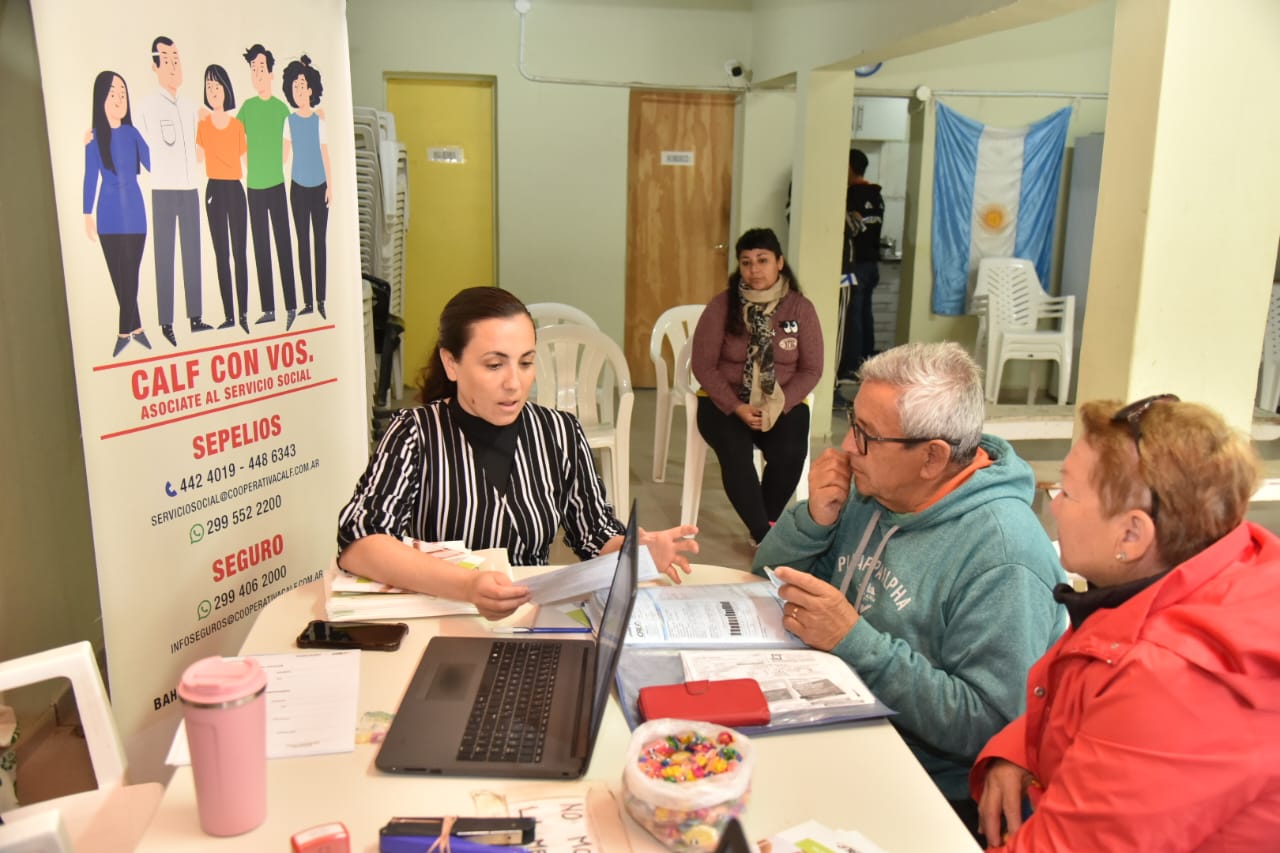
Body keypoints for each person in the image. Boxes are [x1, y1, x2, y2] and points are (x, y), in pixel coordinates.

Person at [755, 341, 1065, 835]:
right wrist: (814, 519)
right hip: (838, 718)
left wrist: (854, 641)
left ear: (932, 457)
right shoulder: (874, 485)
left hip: (924, 786)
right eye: (851, 423)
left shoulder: (1004, 558)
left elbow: (989, 722)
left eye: (867, 435)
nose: (848, 447)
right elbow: (765, 576)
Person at [971, 395, 1280, 850]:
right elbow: (1090, 686)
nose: (1053, 507)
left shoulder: (1175, 682)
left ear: (1132, 535)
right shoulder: (1216, 565)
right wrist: (1019, 747)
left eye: (1068, 493)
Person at [337, 287, 699, 619]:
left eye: (525, 363)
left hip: (528, 616)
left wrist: (639, 548)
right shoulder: (415, 433)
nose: (514, 383)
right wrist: (467, 586)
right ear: (451, 364)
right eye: (494, 365)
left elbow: (594, 533)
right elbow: (361, 542)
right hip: (442, 614)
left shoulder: (559, 433)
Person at [691, 227, 822, 546]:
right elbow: (704, 366)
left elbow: (811, 369)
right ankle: (764, 535)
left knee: (790, 451)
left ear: (779, 262)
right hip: (723, 401)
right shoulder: (722, 306)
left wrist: (778, 404)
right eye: (746, 262)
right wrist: (737, 407)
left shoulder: (799, 309)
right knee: (735, 451)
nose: (754, 269)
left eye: (762, 260)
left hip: (782, 400)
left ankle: (766, 520)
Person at [136, 37, 212, 347]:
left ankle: (196, 317)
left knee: (192, 251)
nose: (173, 65)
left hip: (190, 187)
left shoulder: (191, 106)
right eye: (166, 60)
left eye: (176, 59)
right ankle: (166, 322)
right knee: (165, 256)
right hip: (163, 191)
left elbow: (201, 144)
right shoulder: (146, 107)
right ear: (154, 66)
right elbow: (140, 150)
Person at [83, 71, 151, 358]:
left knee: (130, 275)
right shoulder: (94, 138)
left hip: (135, 214)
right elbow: (90, 177)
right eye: (113, 93)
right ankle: (137, 330)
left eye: (123, 93)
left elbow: (153, 162)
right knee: (120, 279)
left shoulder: (133, 134)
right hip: (108, 216)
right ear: (101, 99)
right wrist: (87, 213)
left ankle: (124, 333)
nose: (119, 99)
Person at [239, 44, 296, 329]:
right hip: (254, 187)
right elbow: (237, 140)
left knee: (283, 244)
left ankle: (292, 305)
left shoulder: (281, 109)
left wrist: (273, 165)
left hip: (276, 184)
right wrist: (252, 165)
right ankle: (269, 308)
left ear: (271, 73)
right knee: (261, 247)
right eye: (253, 69)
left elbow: (287, 146)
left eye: (261, 68)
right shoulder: (247, 108)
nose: (257, 74)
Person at [195, 64, 250, 335]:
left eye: (217, 86)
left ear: (226, 89)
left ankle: (243, 314)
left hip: (236, 190)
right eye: (209, 87)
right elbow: (197, 157)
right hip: (214, 190)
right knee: (222, 255)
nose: (213, 91)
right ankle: (229, 314)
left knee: (240, 254)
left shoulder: (237, 125)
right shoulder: (203, 125)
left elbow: (245, 160)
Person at [282, 55, 332, 320]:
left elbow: (326, 154)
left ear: (311, 89)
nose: (299, 91)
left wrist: (331, 186)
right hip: (298, 187)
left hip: (319, 185)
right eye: (295, 87)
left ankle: (321, 299)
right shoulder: (288, 122)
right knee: (302, 242)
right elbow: (284, 155)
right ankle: (307, 301)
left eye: (303, 86)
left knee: (319, 243)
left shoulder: (319, 120)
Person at [835, 148, 884, 384]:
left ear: (849, 168)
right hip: (872, 265)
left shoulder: (851, 196)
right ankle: (868, 365)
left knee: (852, 317)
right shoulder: (877, 196)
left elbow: (849, 230)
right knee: (865, 315)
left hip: (855, 266)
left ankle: (851, 368)